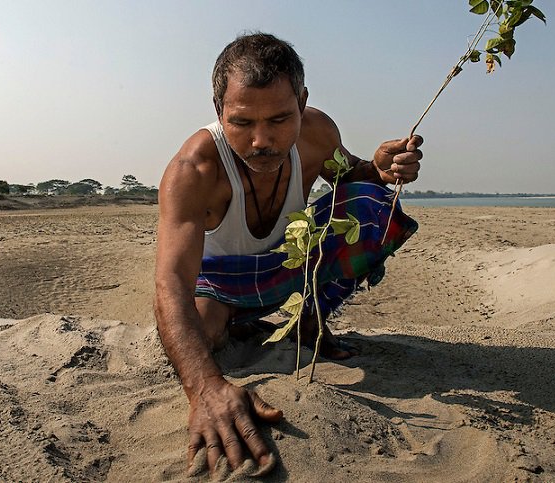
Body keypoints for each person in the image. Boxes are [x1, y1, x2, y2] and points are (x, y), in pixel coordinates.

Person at [154, 32, 423, 477]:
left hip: (291, 264)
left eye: (280, 119)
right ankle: (241, 321)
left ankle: (308, 320)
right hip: (218, 281)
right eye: (241, 123)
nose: (262, 140)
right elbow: (170, 284)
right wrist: (204, 387)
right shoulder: (193, 169)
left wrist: (377, 167)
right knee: (203, 334)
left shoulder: (318, 132)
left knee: (371, 201)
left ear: (302, 101)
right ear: (218, 108)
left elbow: (350, 173)